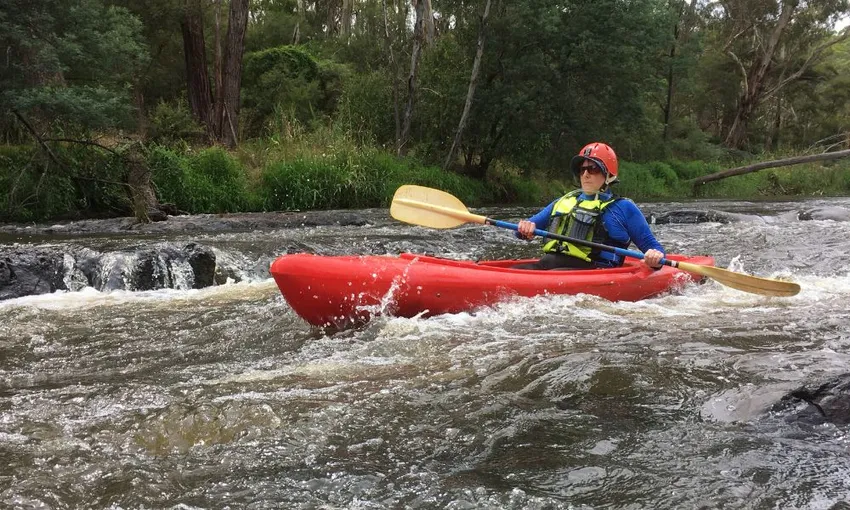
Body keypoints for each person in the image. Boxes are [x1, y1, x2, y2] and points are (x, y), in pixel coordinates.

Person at [513, 142, 665, 270]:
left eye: (593, 169)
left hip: (594, 272)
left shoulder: (624, 208)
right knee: (522, 269)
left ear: (608, 175)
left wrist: (655, 258)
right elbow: (520, 232)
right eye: (582, 169)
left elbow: (655, 249)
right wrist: (525, 229)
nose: (585, 175)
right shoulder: (563, 201)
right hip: (550, 265)